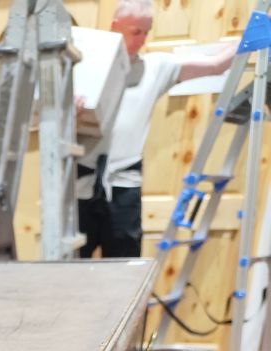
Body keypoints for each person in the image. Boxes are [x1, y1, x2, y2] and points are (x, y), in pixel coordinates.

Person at [77, 0, 237, 258]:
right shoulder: (84, 65)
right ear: (115, 27)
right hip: (80, 182)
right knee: (73, 265)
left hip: (124, 184)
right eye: (135, 31)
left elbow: (216, 65)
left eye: (146, 31)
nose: (141, 39)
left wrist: (252, 36)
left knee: (123, 265)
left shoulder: (156, 67)